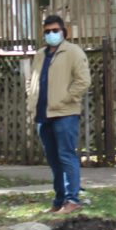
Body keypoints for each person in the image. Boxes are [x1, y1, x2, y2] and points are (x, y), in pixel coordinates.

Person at [26, 13, 91, 214]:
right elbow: (33, 80)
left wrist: (65, 98)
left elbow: (83, 81)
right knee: (53, 160)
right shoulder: (40, 54)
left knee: (66, 156)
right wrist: (31, 99)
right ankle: (59, 200)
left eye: (55, 30)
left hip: (65, 114)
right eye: (47, 32)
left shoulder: (73, 52)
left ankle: (73, 199)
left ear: (64, 31)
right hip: (43, 115)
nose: (51, 34)